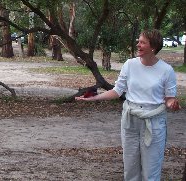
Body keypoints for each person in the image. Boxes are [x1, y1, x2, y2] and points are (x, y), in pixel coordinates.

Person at [75, 29, 181, 180]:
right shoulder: (130, 65)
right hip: (130, 121)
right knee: (130, 170)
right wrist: (94, 98)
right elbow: (118, 91)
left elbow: (169, 98)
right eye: (138, 41)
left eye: (142, 42)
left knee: (151, 172)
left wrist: (172, 104)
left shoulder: (166, 70)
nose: (138, 44)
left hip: (154, 122)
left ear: (153, 47)